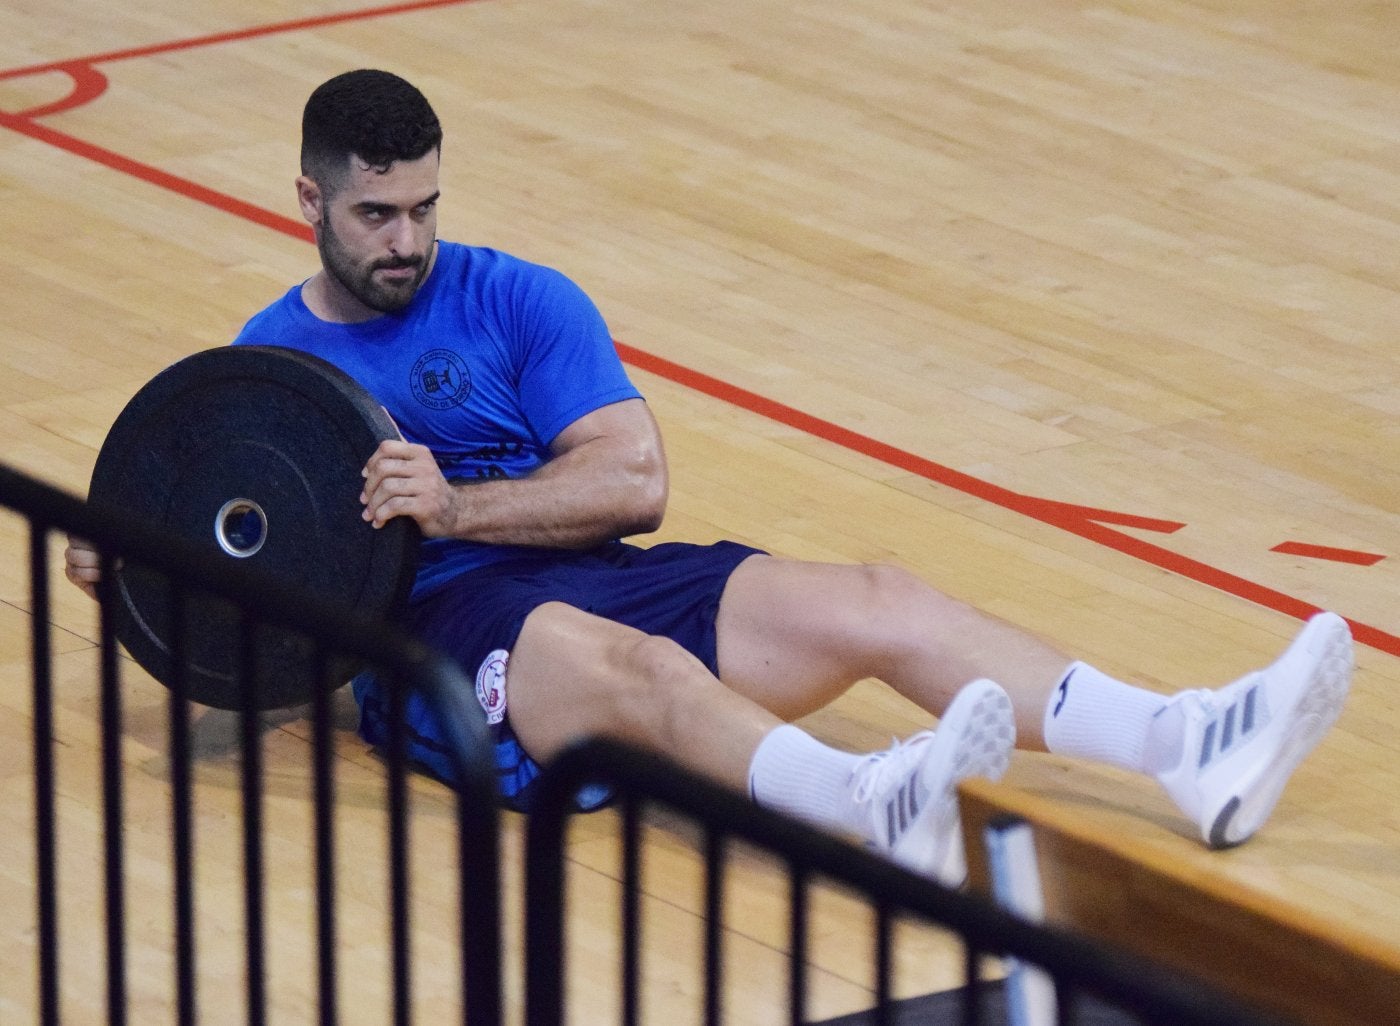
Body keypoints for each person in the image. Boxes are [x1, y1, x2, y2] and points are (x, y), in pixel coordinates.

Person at [65, 69, 1355, 885]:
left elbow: (632, 482)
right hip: (449, 643)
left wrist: (462, 503)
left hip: (595, 571)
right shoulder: (260, 373)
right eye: (374, 216)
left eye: (423, 209)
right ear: (310, 198)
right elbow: (239, 594)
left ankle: (1189, 741)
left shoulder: (517, 297)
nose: (406, 241)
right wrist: (143, 572)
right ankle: (858, 807)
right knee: (640, 671)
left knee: (877, 598)